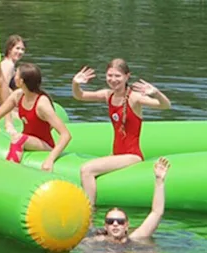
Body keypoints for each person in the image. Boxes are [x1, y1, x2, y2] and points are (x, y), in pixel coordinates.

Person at [71, 60, 172, 208]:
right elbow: (80, 96)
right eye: (109, 75)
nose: (113, 80)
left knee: (87, 169)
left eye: (117, 76)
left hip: (132, 156)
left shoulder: (134, 98)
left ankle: (89, 214)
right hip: (117, 154)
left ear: (127, 76)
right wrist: (75, 83)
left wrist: (156, 93)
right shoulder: (108, 95)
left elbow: (165, 106)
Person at [0, 62, 72, 171]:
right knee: (18, 137)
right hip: (26, 141)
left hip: (44, 145)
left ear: (21, 81)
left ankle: (8, 171)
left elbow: (66, 135)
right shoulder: (18, 95)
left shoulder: (42, 104)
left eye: (16, 74)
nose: (13, 76)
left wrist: (50, 159)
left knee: (18, 137)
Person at [85, 158, 171, 244]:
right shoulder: (94, 241)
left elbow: (157, 212)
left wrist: (159, 180)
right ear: (105, 226)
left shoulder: (135, 239)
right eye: (110, 221)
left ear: (126, 226)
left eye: (120, 221)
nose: (115, 224)